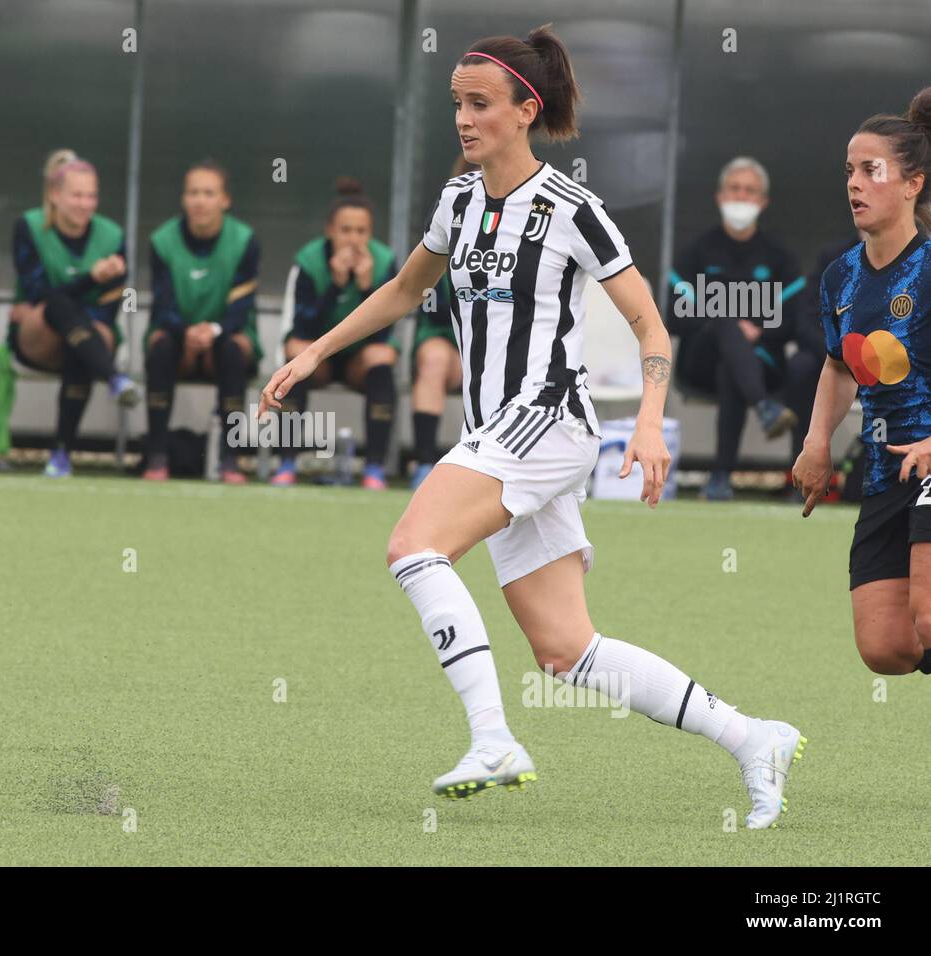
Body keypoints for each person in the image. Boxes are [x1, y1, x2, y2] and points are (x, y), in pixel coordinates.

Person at [260, 24, 804, 829]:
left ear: (526, 109)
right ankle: (753, 737)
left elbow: (653, 328)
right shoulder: (458, 200)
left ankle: (492, 739)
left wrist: (650, 425)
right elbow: (405, 292)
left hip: (548, 422)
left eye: (481, 104)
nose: (464, 119)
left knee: (413, 544)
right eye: (457, 104)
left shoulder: (572, 210)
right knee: (567, 650)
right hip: (501, 432)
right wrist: (314, 352)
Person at [794, 87, 931, 679]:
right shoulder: (839, 277)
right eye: (849, 170)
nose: (854, 182)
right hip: (883, 472)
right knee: (887, 647)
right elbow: (838, 364)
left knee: (928, 615)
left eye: (871, 170)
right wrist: (817, 442)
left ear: (912, 184)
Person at [668, 157, 819, 500]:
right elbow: (673, 316)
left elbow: (796, 320)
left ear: (763, 202)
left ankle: (720, 478)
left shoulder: (780, 256)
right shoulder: (695, 252)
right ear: (720, 196)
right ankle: (764, 407)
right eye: (734, 189)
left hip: (763, 362)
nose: (741, 196)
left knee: (731, 369)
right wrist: (730, 328)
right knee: (723, 323)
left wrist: (760, 333)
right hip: (699, 362)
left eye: (750, 191)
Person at [9, 149, 139, 478]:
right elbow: (39, 293)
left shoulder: (112, 236)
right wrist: (90, 279)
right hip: (37, 336)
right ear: (55, 195)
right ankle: (114, 378)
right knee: (56, 305)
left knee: (80, 341)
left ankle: (61, 454)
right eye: (77, 195)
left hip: (90, 338)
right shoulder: (28, 226)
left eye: (92, 195)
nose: (85, 203)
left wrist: (105, 285)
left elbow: (114, 302)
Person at [272, 177, 399, 490]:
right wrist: (336, 285)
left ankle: (374, 467)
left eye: (361, 232)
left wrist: (367, 287)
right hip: (319, 356)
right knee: (295, 354)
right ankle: (286, 461)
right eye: (345, 231)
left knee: (382, 359)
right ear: (329, 230)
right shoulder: (309, 260)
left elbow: (383, 337)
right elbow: (302, 328)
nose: (353, 240)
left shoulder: (383, 262)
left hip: (359, 357)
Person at [143, 160, 262, 482]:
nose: (199, 200)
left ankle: (230, 460)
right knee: (161, 346)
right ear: (184, 199)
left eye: (208, 193)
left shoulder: (245, 241)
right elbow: (162, 304)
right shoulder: (162, 240)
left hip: (225, 333)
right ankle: (156, 458)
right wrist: (186, 332)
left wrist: (214, 330)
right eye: (193, 192)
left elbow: (241, 307)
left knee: (232, 349)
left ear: (225, 200)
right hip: (177, 335)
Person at [409, 155, 476, 491]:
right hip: (443, 337)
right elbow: (420, 298)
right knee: (434, 359)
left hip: (495, 344)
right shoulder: (448, 216)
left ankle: (486, 467)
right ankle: (423, 463)